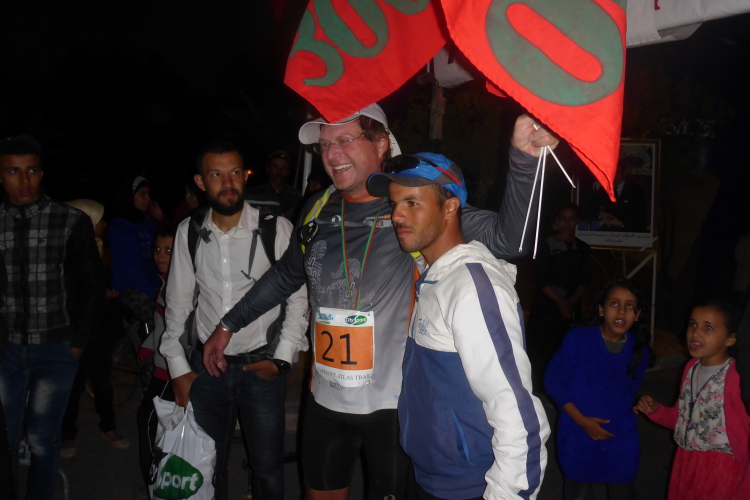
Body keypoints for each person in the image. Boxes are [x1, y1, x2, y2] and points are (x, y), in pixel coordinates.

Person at [204, 103, 558, 499]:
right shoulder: (317, 209)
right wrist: (228, 325)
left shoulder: (414, 204)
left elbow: (511, 240)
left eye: (344, 140)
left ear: (380, 143)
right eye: (324, 145)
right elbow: (286, 275)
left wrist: (526, 160)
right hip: (325, 398)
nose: (331, 155)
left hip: (393, 405)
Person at [366, 153, 550, 500]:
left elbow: (517, 412)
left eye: (412, 202)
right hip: (427, 474)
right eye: (394, 204)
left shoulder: (472, 288)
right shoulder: (434, 277)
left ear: (450, 208)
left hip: (469, 486)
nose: (397, 215)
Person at [159, 140, 309, 500]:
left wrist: (282, 358)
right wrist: (178, 368)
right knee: (208, 467)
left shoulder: (276, 228)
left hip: (261, 368)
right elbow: (178, 302)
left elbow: (299, 299)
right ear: (201, 182)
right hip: (207, 371)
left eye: (235, 173)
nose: (228, 183)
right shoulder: (189, 231)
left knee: (268, 470)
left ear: (245, 176)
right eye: (216, 175)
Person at [0, 135, 104, 499]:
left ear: (41, 173)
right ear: (1, 175)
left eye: (31, 170)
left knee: (43, 441)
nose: (24, 180)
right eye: (13, 171)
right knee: (5, 439)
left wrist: (77, 343)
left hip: (55, 348)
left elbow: (92, 285)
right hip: (6, 350)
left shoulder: (69, 220)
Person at [545, 279, 651, 499]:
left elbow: (628, 393)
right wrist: (582, 421)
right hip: (577, 432)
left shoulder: (639, 351)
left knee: (623, 489)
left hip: (619, 437)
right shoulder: (578, 339)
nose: (621, 311)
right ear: (601, 310)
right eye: (614, 303)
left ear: (637, 315)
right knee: (579, 491)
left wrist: (641, 403)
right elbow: (553, 380)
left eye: (630, 306)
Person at [634, 299, 750, 499]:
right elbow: (683, 420)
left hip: (722, 470)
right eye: (693, 324)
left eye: (708, 328)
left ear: (730, 339)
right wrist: (656, 410)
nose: (695, 333)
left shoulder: (735, 377)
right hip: (686, 462)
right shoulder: (691, 368)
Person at [60, 199, 129, 458]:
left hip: (100, 326)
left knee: (102, 380)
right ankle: (68, 435)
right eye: (99, 220)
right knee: (74, 383)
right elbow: (72, 292)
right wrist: (100, 294)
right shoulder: (69, 251)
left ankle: (108, 428)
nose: (105, 224)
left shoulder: (102, 248)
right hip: (77, 326)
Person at [526, 202, 591, 391]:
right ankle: (536, 388)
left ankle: (561, 388)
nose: (567, 223)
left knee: (567, 348)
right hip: (546, 307)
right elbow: (540, 278)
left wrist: (571, 301)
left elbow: (585, 279)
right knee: (540, 349)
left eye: (572, 219)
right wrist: (560, 301)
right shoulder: (547, 245)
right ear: (557, 220)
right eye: (563, 218)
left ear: (577, 221)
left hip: (571, 308)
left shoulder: (583, 248)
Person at [137, 226, 177, 493]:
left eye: (169, 250)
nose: (160, 255)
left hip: (171, 371)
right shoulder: (166, 281)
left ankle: (154, 483)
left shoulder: (177, 286)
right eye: (158, 249)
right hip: (165, 366)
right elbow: (161, 327)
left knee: (149, 421)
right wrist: (148, 347)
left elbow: (176, 331)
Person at [108, 175, 163, 322]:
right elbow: (122, 267)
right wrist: (118, 294)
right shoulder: (118, 228)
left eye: (148, 194)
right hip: (132, 290)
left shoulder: (149, 224)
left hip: (154, 285)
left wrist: (161, 221)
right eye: (142, 194)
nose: (148, 199)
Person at [245, 149, 302, 220]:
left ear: (287, 172)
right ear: (268, 169)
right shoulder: (255, 194)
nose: (279, 171)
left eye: (284, 168)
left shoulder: (296, 195)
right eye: (275, 167)